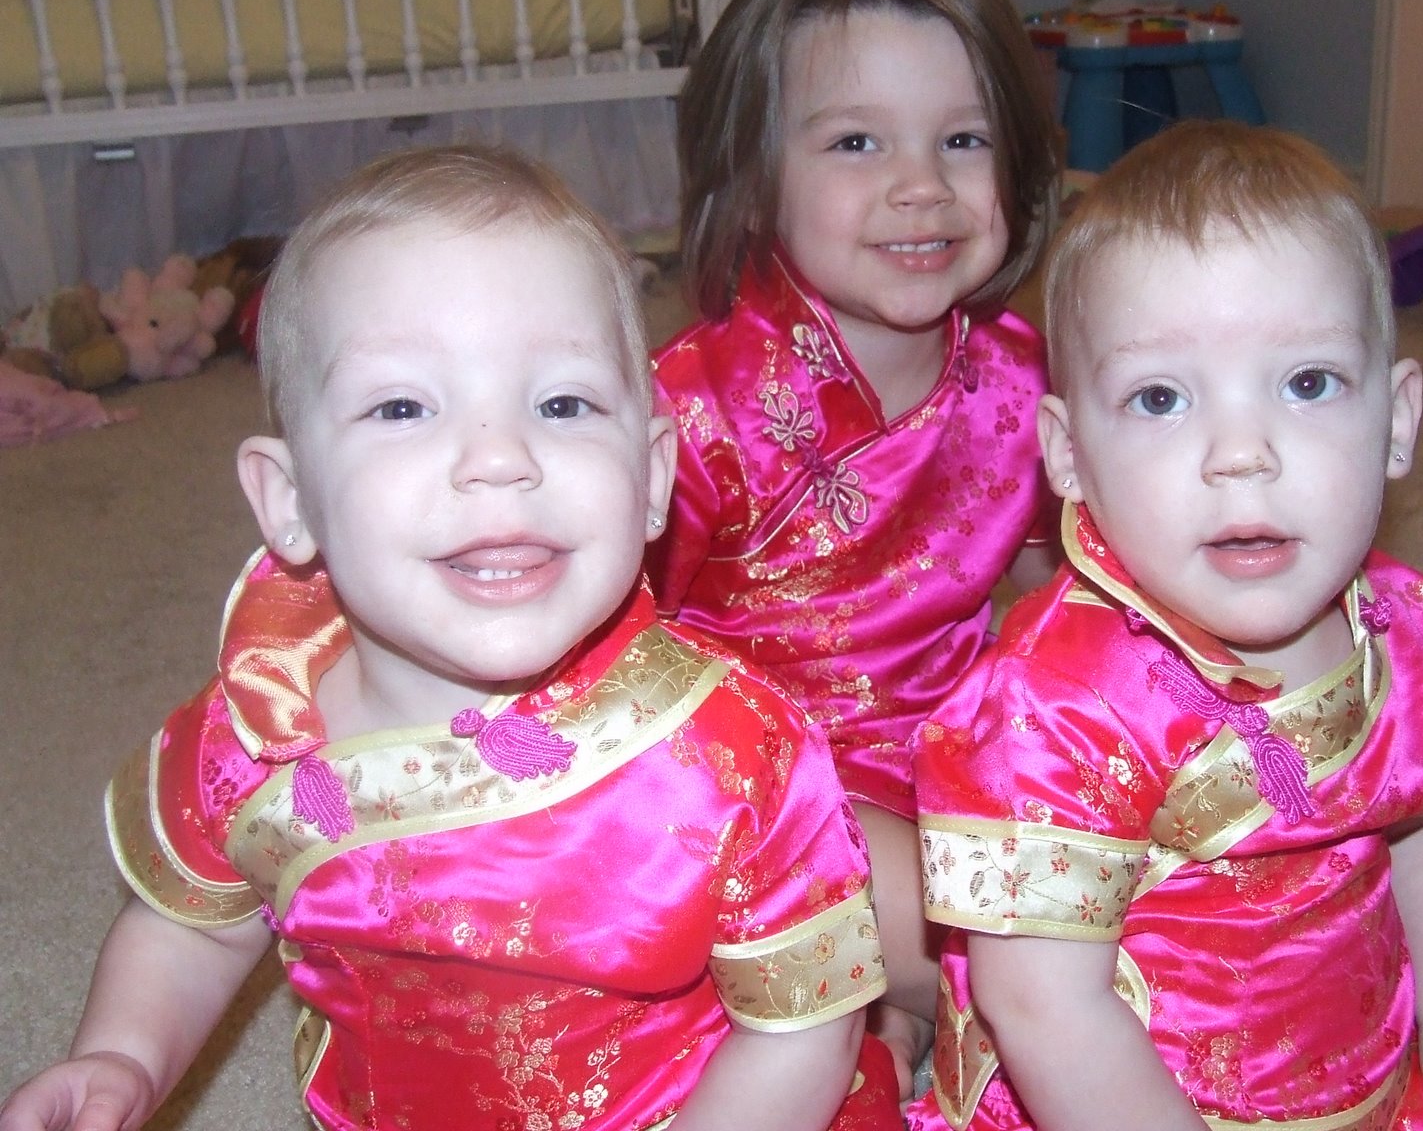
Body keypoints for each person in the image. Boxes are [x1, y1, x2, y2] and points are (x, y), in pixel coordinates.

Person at [0, 145, 904, 1131]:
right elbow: (194, 929)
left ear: (651, 478)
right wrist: (122, 1056)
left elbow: (802, 1027)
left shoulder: (731, 751)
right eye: (402, 406)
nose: (498, 458)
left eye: (561, 403)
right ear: (290, 499)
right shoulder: (250, 742)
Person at [905, 121, 1423, 1131]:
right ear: (1067, 455)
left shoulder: (1397, 626)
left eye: (1306, 383)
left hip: (1360, 1068)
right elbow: (1045, 1009)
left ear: (1398, 420)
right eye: (1159, 397)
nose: (1241, 452)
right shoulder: (1054, 710)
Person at [649, 0, 1061, 1094]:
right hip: (762, 786)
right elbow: (602, 659)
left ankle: (877, 1014)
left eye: (963, 140)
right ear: (752, 177)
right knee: (1027, 939)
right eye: (855, 141)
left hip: (955, 754)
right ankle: (893, 999)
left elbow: (1065, 593)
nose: (920, 184)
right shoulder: (694, 410)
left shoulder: (1025, 379)